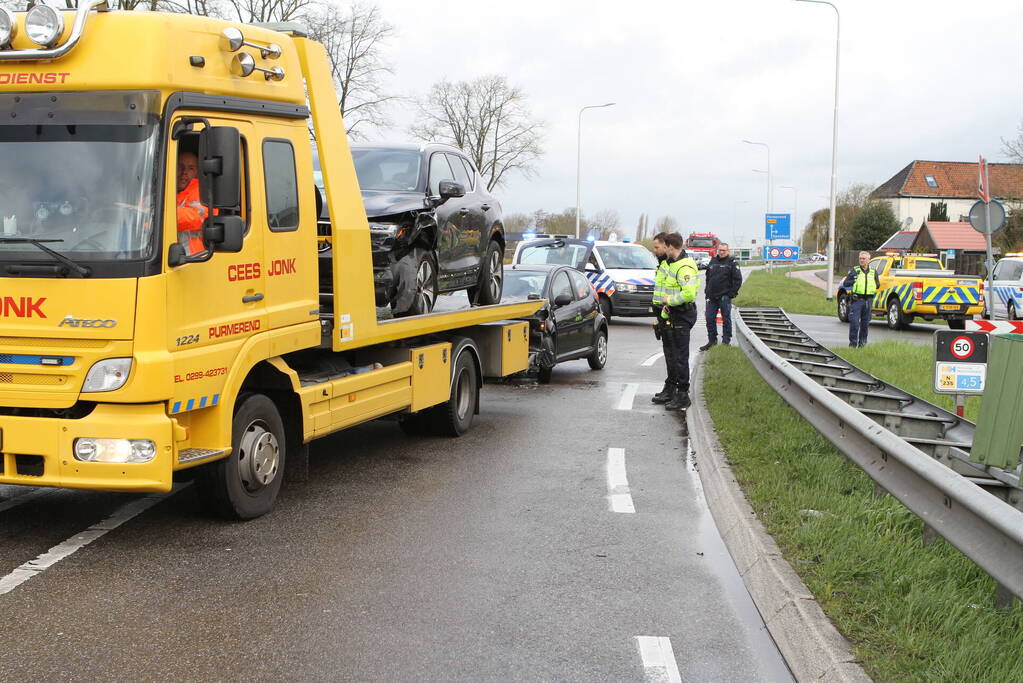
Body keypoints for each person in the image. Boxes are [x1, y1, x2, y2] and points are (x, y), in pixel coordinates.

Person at [655, 232, 699, 411]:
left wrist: (669, 302)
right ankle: (675, 390)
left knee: (681, 357)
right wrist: (666, 311)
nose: (662, 250)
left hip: (682, 314)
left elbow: (688, 293)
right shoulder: (674, 264)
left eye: (664, 247)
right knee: (674, 354)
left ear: (670, 246)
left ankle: (683, 395)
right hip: (674, 314)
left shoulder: (684, 266)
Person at [699, 242, 742, 351]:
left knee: (726, 319)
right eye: (720, 250)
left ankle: (726, 342)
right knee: (709, 318)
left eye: (723, 250)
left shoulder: (732, 263)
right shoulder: (713, 261)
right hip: (711, 297)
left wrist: (731, 294)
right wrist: (707, 291)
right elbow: (708, 277)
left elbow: (737, 280)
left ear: (728, 251)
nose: (721, 252)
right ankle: (712, 341)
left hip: (724, 297)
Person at [650, 232, 677, 404]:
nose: (654, 250)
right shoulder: (662, 264)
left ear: (666, 246)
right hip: (662, 311)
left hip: (670, 312)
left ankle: (673, 389)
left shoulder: (670, 264)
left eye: (657, 247)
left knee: (673, 353)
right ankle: (669, 386)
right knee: (669, 353)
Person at [842, 251, 880, 347]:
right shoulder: (855, 270)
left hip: (868, 301)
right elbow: (846, 283)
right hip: (857, 300)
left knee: (865, 324)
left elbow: (877, 284)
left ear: (868, 260)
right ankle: (853, 345)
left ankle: (862, 345)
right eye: (860, 258)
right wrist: (853, 280)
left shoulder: (873, 271)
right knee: (854, 323)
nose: (861, 260)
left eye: (864, 258)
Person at [176, 151, 208, 256]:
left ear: (197, 173)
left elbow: (196, 217)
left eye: (191, 168)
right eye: (180, 166)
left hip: (192, 260)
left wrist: (160, 213)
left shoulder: (203, 193)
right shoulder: (158, 192)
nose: (184, 172)